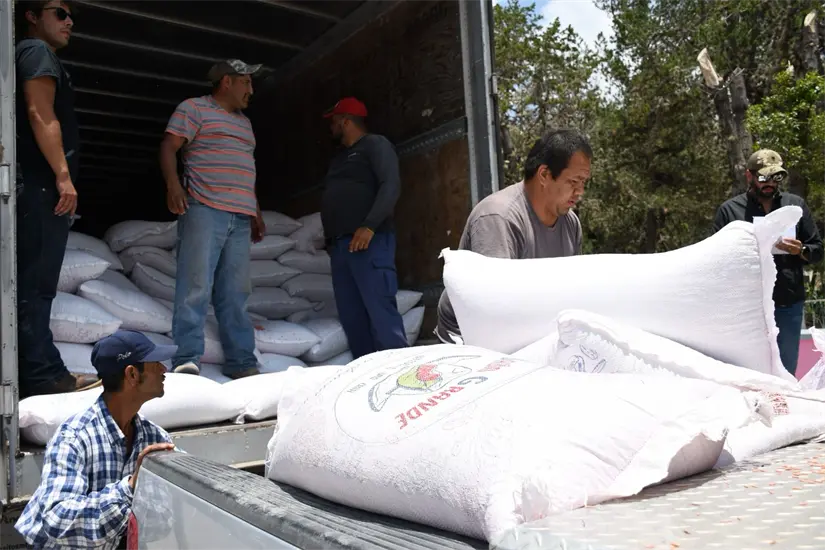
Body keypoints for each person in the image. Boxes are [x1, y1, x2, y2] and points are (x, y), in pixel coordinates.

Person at [15, 330, 177, 549]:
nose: (164, 369)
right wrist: (129, 488)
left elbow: (165, 516)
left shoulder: (154, 438)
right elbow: (58, 520)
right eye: (154, 362)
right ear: (132, 375)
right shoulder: (73, 438)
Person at [159, 59, 266, 379]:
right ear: (226, 82)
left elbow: (245, 168)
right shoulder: (193, 109)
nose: (251, 89)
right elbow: (168, 146)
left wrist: (255, 210)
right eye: (246, 82)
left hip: (240, 214)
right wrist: (174, 185)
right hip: (205, 209)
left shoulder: (245, 124)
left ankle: (241, 360)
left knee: (236, 292)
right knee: (196, 286)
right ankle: (187, 357)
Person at [15, 0, 99, 397]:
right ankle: (44, 376)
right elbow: (40, 112)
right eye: (59, 13)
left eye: (72, 16)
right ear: (32, 16)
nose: (69, 22)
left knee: (31, 283)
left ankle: (35, 371)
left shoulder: (33, 52)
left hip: (35, 184)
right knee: (37, 284)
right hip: (41, 184)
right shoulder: (36, 51)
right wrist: (63, 177)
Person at [436, 129, 592, 343]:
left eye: (584, 183)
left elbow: (572, 293)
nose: (580, 191)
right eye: (574, 182)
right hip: (470, 335)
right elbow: (494, 309)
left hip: (532, 326)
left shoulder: (571, 224)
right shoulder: (499, 217)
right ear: (545, 175)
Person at [713, 149, 823, 376]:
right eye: (763, 177)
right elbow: (715, 259)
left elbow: (817, 251)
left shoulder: (795, 207)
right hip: (745, 306)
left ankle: (782, 411)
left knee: (786, 371)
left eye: (776, 177)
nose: (770, 183)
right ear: (749, 176)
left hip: (787, 303)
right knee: (747, 372)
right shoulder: (729, 211)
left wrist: (800, 250)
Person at [320, 97, 408, 359]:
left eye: (334, 122)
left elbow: (390, 186)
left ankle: (401, 372)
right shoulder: (339, 159)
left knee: (381, 313)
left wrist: (369, 226)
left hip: (370, 243)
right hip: (341, 247)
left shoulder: (375, 145)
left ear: (346, 121)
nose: (331, 128)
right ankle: (365, 379)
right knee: (352, 317)